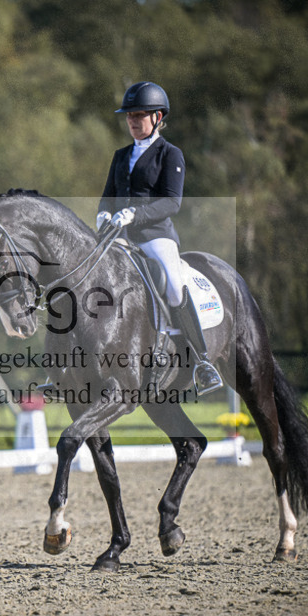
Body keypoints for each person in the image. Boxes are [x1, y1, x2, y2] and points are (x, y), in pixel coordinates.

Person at [96, 81, 223, 395]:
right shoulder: (120, 155)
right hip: (119, 236)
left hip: (155, 236)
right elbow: (107, 196)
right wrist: (103, 215)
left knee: (173, 285)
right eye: (129, 116)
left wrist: (135, 214)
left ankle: (202, 361)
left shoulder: (170, 154)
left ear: (158, 117)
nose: (133, 121)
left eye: (139, 115)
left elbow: (171, 203)